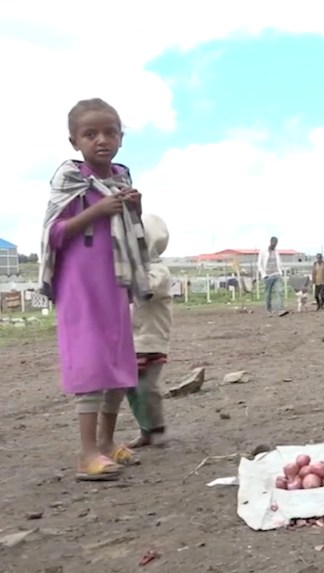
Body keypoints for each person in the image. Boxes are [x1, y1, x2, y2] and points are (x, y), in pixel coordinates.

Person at [39, 98, 148, 480]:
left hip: (115, 282)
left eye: (109, 132)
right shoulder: (69, 179)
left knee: (118, 362)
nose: (101, 140)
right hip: (80, 286)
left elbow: (130, 231)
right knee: (89, 363)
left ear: (121, 137)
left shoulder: (121, 176)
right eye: (90, 134)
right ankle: (87, 453)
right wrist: (95, 211)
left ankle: (106, 442)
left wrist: (134, 207)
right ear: (74, 141)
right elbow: (53, 234)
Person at [127, 213, 173, 448]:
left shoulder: (159, 272)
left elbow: (144, 290)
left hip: (152, 339)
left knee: (146, 386)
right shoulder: (131, 268)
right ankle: (145, 429)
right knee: (131, 387)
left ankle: (157, 427)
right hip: (132, 339)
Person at [258, 236, 283, 314]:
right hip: (268, 276)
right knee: (268, 294)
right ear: (271, 242)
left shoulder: (276, 252)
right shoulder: (263, 251)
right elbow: (260, 264)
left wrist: (280, 273)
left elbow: (279, 263)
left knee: (279, 292)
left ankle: (280, 310)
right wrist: (263, 274)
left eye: (276, 243)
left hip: (276, 275)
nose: (274, 245)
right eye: (274, 243)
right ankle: (269, 309)